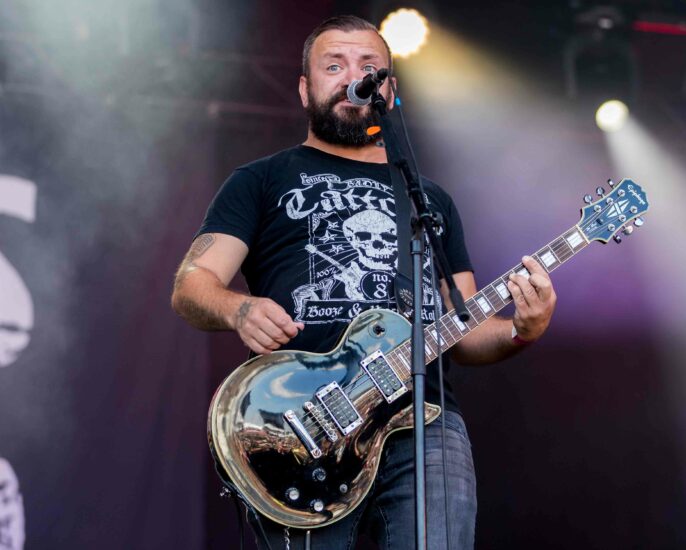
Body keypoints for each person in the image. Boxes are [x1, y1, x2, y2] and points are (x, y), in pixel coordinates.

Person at [171, 15, 556, 549]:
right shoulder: (261, 180)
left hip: (424, 422)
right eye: (334, 66)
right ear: (305, 89)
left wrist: (522, 330)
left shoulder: (429, 199)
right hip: (302, 425)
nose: (353, 76)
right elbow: (192, 284)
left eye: (368, 66)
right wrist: (239, 309)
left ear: (388, 90)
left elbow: (464, 329)